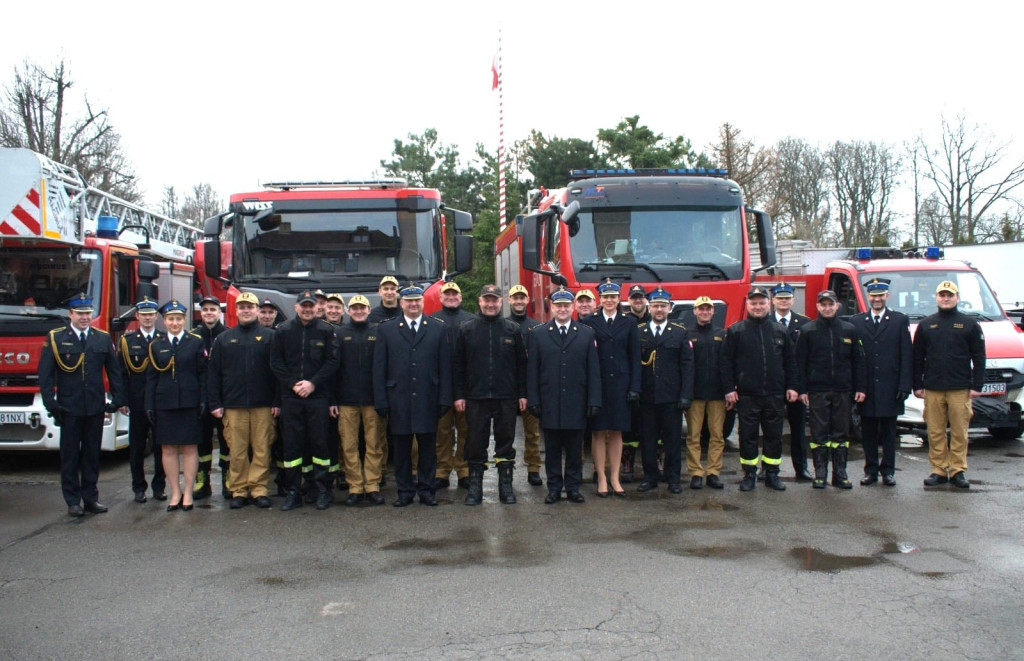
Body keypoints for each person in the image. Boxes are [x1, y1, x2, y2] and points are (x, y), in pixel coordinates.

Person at [38, 294, 124, 517]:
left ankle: (90, 498)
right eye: (80, 313)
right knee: (69, 456)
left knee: (91, 454)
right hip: (69, 407)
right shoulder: (56, 338)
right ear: (70, 315)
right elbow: (46, 375)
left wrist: (117, 399)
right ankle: (72, 500)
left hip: (95, 406)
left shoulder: (102, 339)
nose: (85, 317)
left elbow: (114, 371)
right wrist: (51, 403)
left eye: (88, 313)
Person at [373, 285, 452, 507]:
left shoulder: (438, 328)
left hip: (428, 397)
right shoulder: (386, 329)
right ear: (401, 304)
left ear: (423, 303)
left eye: (417, 301)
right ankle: (405, 491)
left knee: (428, 448)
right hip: (398, 398)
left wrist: (444, 398)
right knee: (401, 449)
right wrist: (381, 400)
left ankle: (427, 490)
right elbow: (379, 368)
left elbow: (445, 368)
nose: (413, 304)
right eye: (409, 301)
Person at [453, 285, 528, 505]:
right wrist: (459, 395)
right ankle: (475, 488)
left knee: (505, 442)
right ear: (479, 301)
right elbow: (458, 366)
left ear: (501, 302)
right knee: (476, 443)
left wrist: (522, 394)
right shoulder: (466, 329)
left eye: (494, 300)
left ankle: (505, 487)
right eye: (486, 300)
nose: (490, 304)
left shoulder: (512, 330)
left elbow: (521, 366)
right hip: (476, 398)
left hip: (506, 397)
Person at [526, 287, 602, 504]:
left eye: (566, 305)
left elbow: (593, 371)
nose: (562, 309)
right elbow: (532, 371)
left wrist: (594, 400)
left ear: (573, 307)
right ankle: (554, 488)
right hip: (549, 402)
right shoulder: (538, 334)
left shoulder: (586, 334)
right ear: (552, 307)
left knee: (574, 449)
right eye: (558, 305)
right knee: (551, 450)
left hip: (576, 402)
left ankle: (573, 487)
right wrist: (534, 400)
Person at [721, 285, 799, 491]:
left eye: (761, 303)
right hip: (747, 395)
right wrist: (729, 389)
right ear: (747, 304)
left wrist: (792, 386)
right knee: (748, 436)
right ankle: (749, 475)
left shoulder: (780, 330)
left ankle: (772, 473)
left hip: (775, 394)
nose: (758, 306)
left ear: (769, 303)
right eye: (753, 303)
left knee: (774, 435)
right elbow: (727, 363)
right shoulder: (736, 331)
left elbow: (790, 361)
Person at [207, 292, 279, 509]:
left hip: (263, 404)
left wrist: (277, 401)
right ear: (236, 311)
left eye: (250, 307)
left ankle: (258, 489)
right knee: (236, 451)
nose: (246, 310)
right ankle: (239, 490)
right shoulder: (224, 339)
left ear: (257, 310)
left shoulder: (269, 337)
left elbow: (277, 373)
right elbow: (214, 374)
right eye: (242, 307)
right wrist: (215, 403)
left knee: (261, 449)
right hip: (233, 405)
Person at [270, 290, 339, 510]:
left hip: (317, 397)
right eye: (304, 306)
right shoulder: (282, 331)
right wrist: (293, 384)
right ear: (296, 307)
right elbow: (276, 363)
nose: (308, 309)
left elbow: (332, 362)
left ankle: (321, 490)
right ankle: (293, 491)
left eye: (311, 306)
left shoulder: (326, 331)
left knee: (319, 445)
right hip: (291, 398)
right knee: (292, 447)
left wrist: (312, 383)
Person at [913, 280, 985, 489]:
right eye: (942, 295)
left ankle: (958, 470)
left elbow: (979, 357)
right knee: (935, 431)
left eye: (950, 295)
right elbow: (917, 357)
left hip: (960, 388)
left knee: (959, 432)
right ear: (936, 298)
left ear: (957, 298)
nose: (945, 298)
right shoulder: (926, 324)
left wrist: (977, 385)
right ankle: (938, 470)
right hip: (933, 388)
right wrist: (917, 384)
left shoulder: (970, 325)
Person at [796, 290, 866, 489]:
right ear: (818, 306)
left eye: (830, 304)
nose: (827, 308)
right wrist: (802, 389)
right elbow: (800, 363)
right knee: (819, 433)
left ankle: (840, 474)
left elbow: (858, 361)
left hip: (843, 390)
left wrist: (860, 387)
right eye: (823, 304)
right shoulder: (808, 330)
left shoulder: (849, 330)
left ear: (837, 306)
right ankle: (820, 473)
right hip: (818, 390)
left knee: (840, 434)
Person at [580, 279, 641, 497]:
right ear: (600, 299)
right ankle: (602, 478)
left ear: (619, 298)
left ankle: (615, 477)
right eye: (605, 297)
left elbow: (635, 357)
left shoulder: (629, 323)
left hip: (621, 386)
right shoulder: (589, 322)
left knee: (616, 432)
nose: (609, 301)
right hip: (598, 385)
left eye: (613, 297)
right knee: (598, 432)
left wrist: (635, 386)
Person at [849, 278, 912, 486]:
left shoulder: (899, 320)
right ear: (868, 297)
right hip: (867, 387)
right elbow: (856, 357)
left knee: (888, 432)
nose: (876, 299)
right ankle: (871, 471)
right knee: (867, 433)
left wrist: (904, 385)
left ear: (887, 296)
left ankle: (888, 471)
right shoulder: (858, 321)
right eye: (873, 295)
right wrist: (857, 386)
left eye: (880, 295)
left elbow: (906, 355)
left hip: (890, 386)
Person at [146, 300, 207, 512]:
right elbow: (151, 378)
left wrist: (203, 399)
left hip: (190, 402)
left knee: (190, 448)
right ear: (164, 321)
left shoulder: (195, 342)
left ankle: (189, 491)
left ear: (184, 320)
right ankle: (175, 492)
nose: (175, 323)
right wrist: (149, 405)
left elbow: (203, 374)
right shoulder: (156, 345)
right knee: (168, 449)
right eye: (171, 319)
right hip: (165, 403)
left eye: (179, 319)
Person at [636, 287, 693, 494]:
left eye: (663, 306)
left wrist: (686, 395)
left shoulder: (679, 332)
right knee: (648, 440)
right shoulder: (639, 332)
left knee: (672, 441)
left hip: (672, 397)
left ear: (669, 308)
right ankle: (650, 477)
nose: (659, 310)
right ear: (649, 307)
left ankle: (673, 478)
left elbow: (687, 366)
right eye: (655, 306)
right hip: (647, 396)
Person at [332, 295, 385, 506]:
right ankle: (355, 486)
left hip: (372, 400)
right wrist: (333, 399)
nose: (359, 311)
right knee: (349, 445)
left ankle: (372, 485)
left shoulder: (378, 332)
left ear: (369, 310)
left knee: (374, 444)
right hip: (347, 400)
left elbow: (383, 367)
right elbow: (333, 369)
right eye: (354, 308)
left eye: (362, 308)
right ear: (348, 311)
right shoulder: (339, 333)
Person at [118, 297, 166, 503]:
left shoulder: (164, 339)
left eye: (151, 314)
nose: (147, 318)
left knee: (160, 447)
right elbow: (120, 374)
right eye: (143, 315)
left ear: (156, 316)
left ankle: (159, 488)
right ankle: (138, 487)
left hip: (159, 402)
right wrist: (122, 400)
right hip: (137, 402)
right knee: (137, 447)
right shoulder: (127, 342)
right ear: (137, 316)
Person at [432, 280, 474, 490]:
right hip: (440, 386)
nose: (450, 297)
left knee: (466, 431)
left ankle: (464, 470)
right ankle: (442, 471)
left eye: (454, 294)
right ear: (440, 298)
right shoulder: (431, 321)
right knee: (443, 432)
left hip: (466, 387)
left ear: (460, 297)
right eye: (446, 294)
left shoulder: (471, 321)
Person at [684, 296, 728, 490]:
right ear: (694, 311)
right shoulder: (687, 334)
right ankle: (695, 472)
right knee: (693, 436)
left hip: (717, 394)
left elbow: (728, 364)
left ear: (713, 312)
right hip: (695, 394)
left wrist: (729, 390)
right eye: (700, 309)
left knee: (717, 436)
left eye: (707, 309)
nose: (704, 312)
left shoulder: (722, 334)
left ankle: (713, 472)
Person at [771, 283, 812, 481]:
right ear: (773, 300)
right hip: (773, 385)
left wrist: (800, 387)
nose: (783, 301)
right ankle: (769, 468)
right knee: (772, 430)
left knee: (798, 430)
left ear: (793, 300)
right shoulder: (764, 321)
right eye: (779, 298)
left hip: (796, 384)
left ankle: (801, 468)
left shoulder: (805, 324)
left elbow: (806, 360)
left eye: (787, 298)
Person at [506, 284, 544, 486]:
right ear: (509, 300)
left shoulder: (536, 327)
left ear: (528, 300)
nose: (519, 301)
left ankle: (533, 468)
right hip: (509, 388)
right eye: (515, 298)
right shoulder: (503, 325)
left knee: (533, 432)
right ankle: (507, 468)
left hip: (530, 387)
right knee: (507, 432)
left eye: (522, 297)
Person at [194, 294, 227, 500]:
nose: (208, 313)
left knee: (227, 442)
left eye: (212, 309)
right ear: (201, 313)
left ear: (219, 312)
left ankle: (228, 479)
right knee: (202, 442)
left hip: (224, 399)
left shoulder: (228, 336)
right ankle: (202, 480)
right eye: (205, 310)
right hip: (200, 398)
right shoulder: (193, 337)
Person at [621, 284, 650, 483]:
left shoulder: (657, 319)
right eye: (634, 297)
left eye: (641, 297)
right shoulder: (624, 322)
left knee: (653, 428)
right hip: (630, 382)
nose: (638, 300)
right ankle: (628, 463)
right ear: (629, 300)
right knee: (629, 427)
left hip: (651, 381)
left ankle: (656, 462)